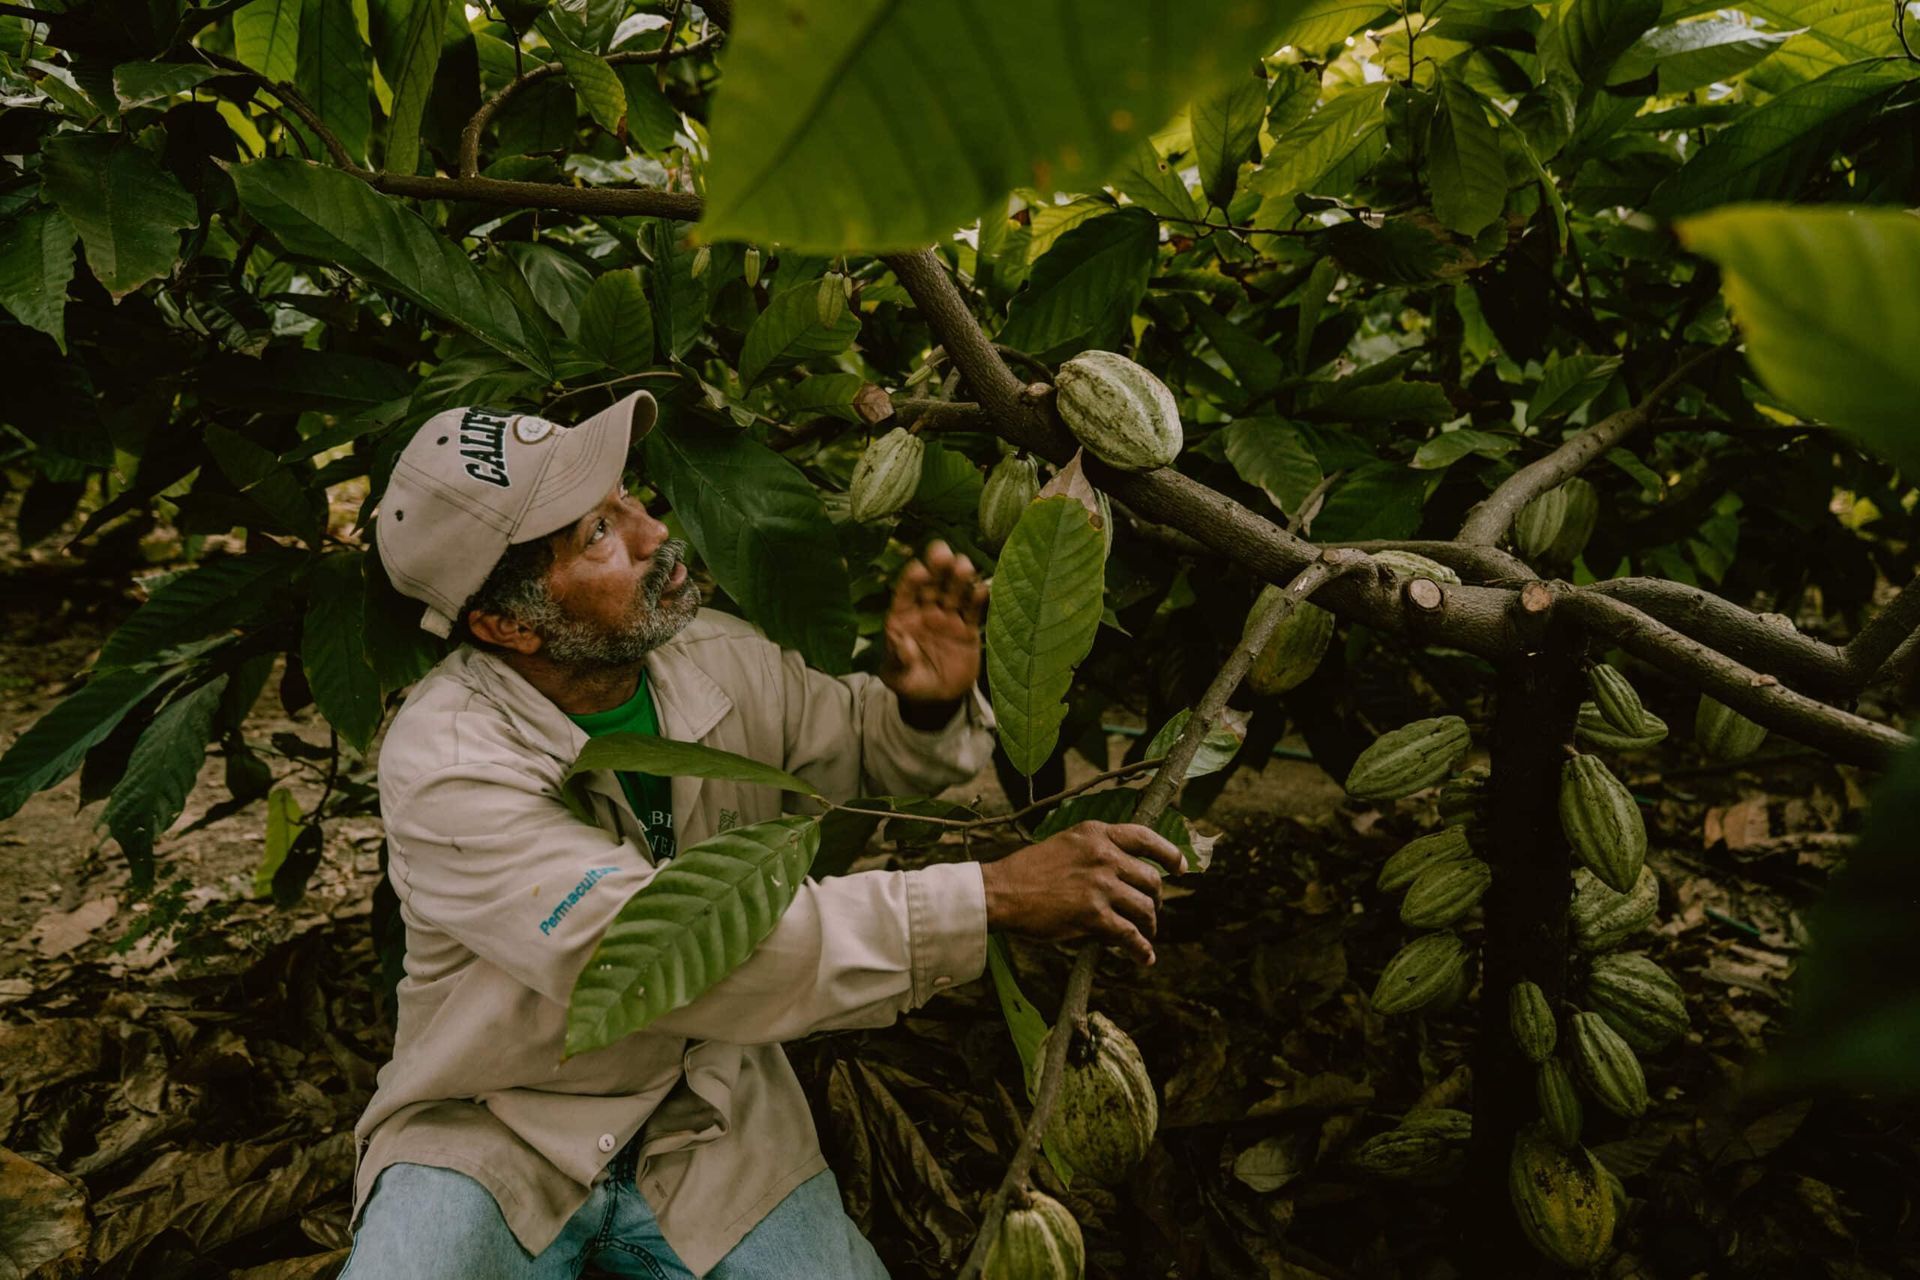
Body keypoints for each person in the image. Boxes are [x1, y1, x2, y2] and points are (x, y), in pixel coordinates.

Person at [344, 390, 1182, 1278]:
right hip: (496, 1126)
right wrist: (988, 897)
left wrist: (923, 707)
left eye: (627, 496)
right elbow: (649, 947)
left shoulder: (718, 655)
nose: (651, 531)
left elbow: (856, 753)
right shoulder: (446, 758)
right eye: (594, 534)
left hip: (709, 1116)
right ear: (505, 623)